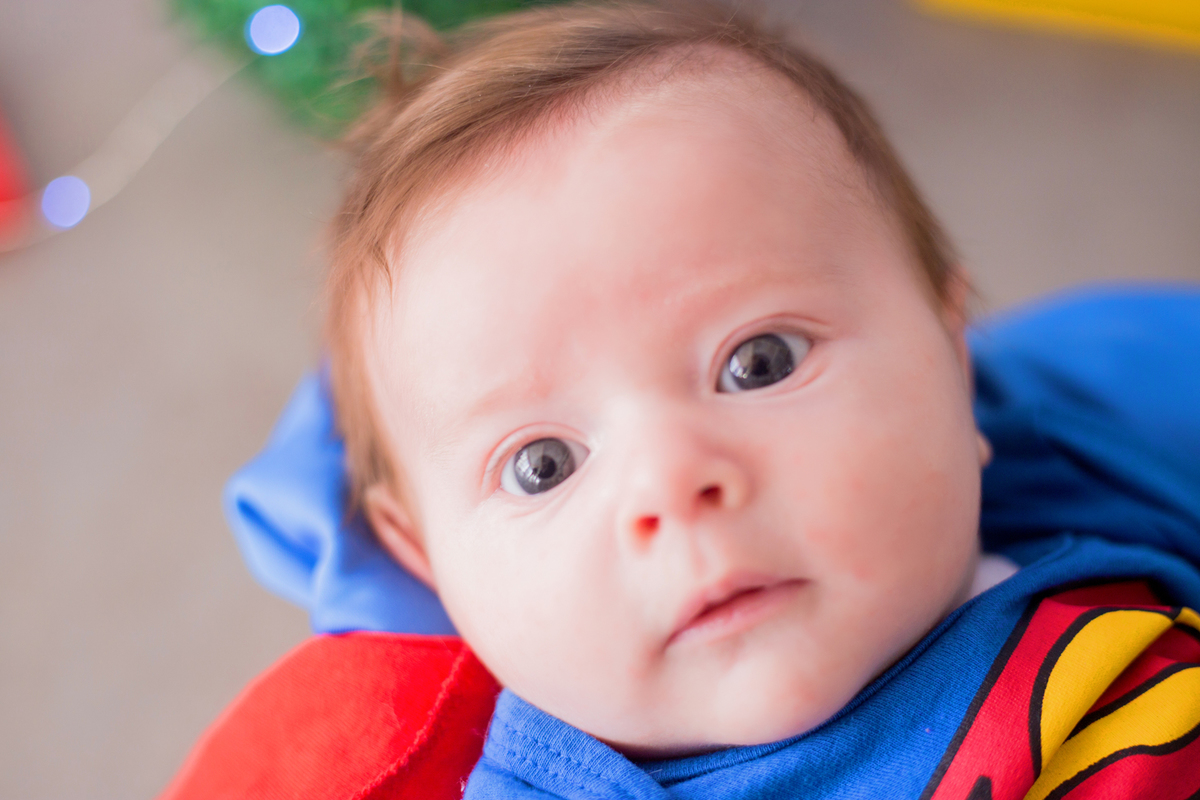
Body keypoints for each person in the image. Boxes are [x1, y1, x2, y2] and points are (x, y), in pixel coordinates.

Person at [161, 3, 1200, 798]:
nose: (673, 481)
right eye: (543, 463)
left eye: (759, 361)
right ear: (429, 562)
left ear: (949, 352)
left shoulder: (1090, 482)